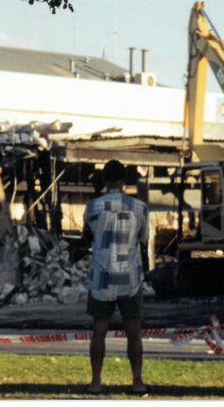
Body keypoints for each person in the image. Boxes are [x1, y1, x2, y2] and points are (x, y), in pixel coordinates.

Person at [82, 159, 149, 395]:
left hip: (102, 276)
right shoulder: (140, 207)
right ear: (124, 180)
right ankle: (137, 381)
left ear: (104, 179)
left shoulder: (93, 207)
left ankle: (96, 382)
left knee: (99, 331)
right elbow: (143, 240)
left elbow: (87, 237)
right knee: (134, 331)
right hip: (130, 277)